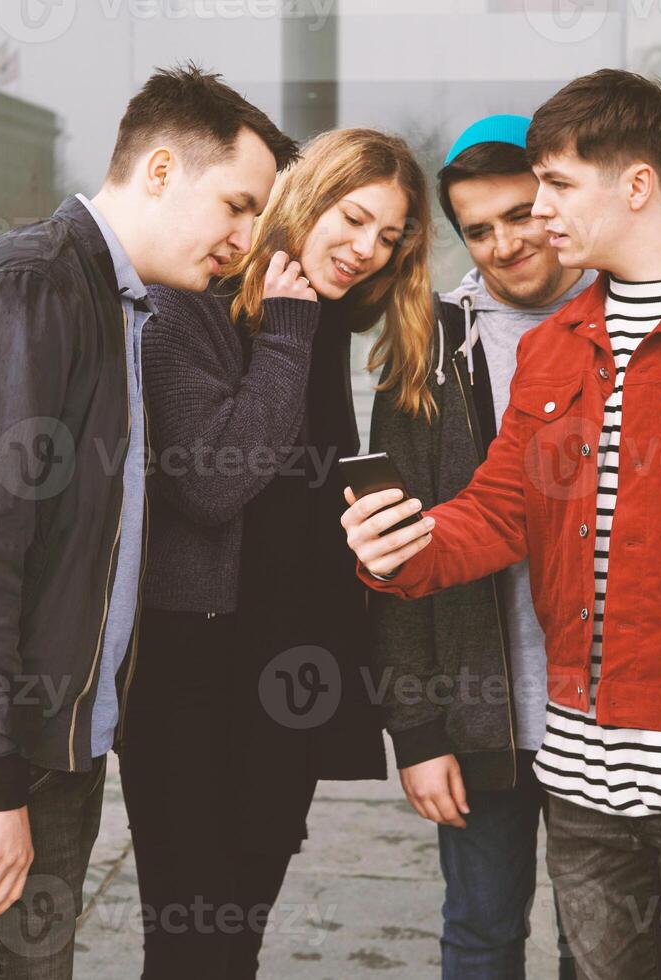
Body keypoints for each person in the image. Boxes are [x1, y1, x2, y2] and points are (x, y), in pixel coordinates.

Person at [343, 70, 661, 980]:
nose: (537, 213)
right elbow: (501, 511)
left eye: (554, 186)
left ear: (634, 185)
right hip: (580, 780)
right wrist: (403, 553)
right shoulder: (555, 345)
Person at [0, 64, 297, 979]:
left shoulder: (117, 301)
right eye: (240, 207)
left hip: (43, 735)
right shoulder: (34, 288)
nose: (247, 242)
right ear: (164, 169)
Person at [123, 127, 435, 979]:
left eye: (389, 237)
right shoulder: (188, 303)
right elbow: (217, 483)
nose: (368, 250)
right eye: (356, 218)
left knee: (239, 936)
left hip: (287, 676)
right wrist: (290, 332)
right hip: (191, 677)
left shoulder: (321, 315)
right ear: (307, 197)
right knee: (191, 942)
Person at [367, 114, 595, 980]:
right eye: (479, 229)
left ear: (556, 201)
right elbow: (391, 554)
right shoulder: (429, 344)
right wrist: (416, 733)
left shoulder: (624, 319)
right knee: (481, 933)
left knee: (604, 944)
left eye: (520, 214)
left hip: (604, 718)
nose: (504, 244)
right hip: (478, 714)